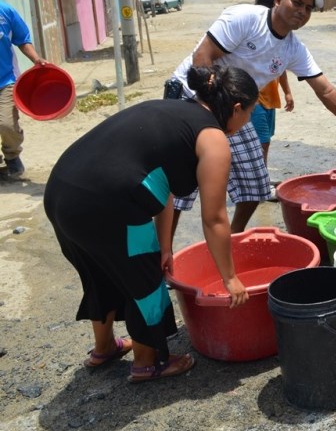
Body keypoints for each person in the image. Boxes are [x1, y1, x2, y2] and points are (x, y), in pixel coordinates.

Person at [44, 65, 257, 383]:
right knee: (145, 281)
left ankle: (104, 348)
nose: (247, 123)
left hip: (61, 193)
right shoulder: (213, 139)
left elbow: (162, 184)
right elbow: (214, 218)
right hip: (106, 204)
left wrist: (166, 246)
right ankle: (149, 363)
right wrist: (229, 278)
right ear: (237, 108)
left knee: (100, 271)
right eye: (250, 113)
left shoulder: (173, 111)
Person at [168, 0, 336, 236]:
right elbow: (203, 56)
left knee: (256, 182)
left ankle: (233, 237)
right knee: (180, 186)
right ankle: (164, 251)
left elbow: (325, 89)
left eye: (309, 8)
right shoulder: (246, 18)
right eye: (297, 3)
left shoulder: (293, 48)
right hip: (193, 96)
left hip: (232, 110)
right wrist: (210, 109)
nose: (302, 12)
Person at [0, 0, 47, 178]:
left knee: (6, 124)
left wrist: (36, 59)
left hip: (5, 80)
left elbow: (22, 39)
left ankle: (12, 155)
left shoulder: (5, 11)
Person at [254, 71, 293, 201]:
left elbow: (281, 69)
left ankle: (262, 178)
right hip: (254, 99)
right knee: (262, 142)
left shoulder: (278, 51)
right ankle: (261, 187)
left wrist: (287, 92)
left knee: (265, 140)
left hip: (270, 99)